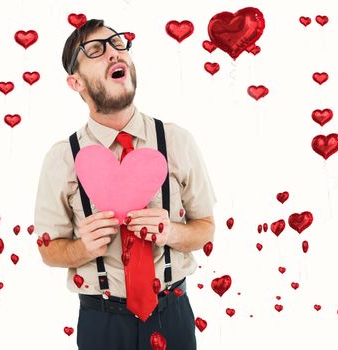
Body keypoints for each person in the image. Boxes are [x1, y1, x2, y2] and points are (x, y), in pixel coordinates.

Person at [34, 18, 217, 350]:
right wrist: (81, 248)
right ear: (75, 82)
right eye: (95, 50)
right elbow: (48, 249)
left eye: (118, 44)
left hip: (172, 314)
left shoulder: (177, 141)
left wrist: (172, 232)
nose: (114, 54)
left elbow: (205, 227)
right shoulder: (62, 158)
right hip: (101, 321)